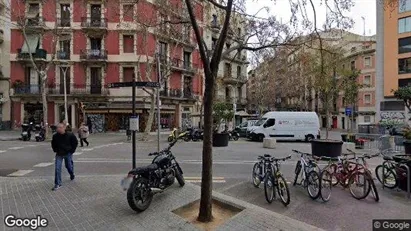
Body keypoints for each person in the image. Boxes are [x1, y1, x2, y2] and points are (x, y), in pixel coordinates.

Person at [51, 123, 78, 191]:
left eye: (60, 127)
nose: (58, 129)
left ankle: (72, 174)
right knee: (57, 168)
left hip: (68, 153)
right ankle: (58, 183)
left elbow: (75, 143)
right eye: (57, 128)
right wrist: (55, 150)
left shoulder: (70, 135)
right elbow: (53, 144)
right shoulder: (55, 136)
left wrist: (71, 151)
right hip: (59, 154)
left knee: (68, 166)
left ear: (64, 128)